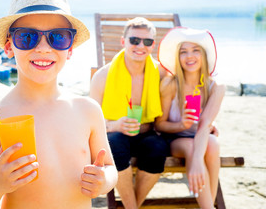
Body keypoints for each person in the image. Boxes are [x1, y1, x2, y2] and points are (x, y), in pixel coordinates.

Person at [0, 0, 118, 209]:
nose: (44, 48)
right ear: (8, 47)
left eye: (58, 37)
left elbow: (109, 166)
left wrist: (104, 181)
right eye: (27, 37)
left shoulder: (87, 110)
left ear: (70, 49)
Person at [90, 17, 169, 208]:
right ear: (123, 41)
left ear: (153, 45)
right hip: (115, 135)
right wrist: (114, 125)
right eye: (134, 40)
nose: (140, 46)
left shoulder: (161, 73)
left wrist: (207, 124)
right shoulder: (103, 75)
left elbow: (184, 98)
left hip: (146, 133)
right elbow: (89, 122)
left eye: (147, 41)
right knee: (114, 143)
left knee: (158, 148)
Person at [155, 27, 225, 208]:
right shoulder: (170, 84)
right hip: (175, 139)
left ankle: (208, 205)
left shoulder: (215, 86)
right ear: (178, 57)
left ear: (203, 55)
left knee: (213, 143)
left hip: (200, 137)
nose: (189, 56)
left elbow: (204, 126)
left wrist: (196, 162)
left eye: (195, 50)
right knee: (195, 146)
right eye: (183, 52)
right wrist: (181, 124)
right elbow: (159, 125)